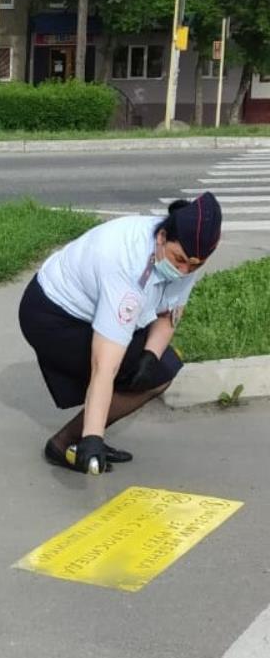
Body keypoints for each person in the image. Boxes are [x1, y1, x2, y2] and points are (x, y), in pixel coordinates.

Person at [18, 193, 222, 474]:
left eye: (195, 265)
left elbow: (169, 315)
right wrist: (94, 436)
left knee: (160, 370)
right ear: (162, 237)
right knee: (117, 366)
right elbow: (105, 364)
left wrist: (150, 355)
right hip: (51, 313)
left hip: (88, 311)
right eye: (179, 260)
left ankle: (74, 439)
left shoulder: (185, 256)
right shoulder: (126, 263)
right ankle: (75, 443)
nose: (185, 270)